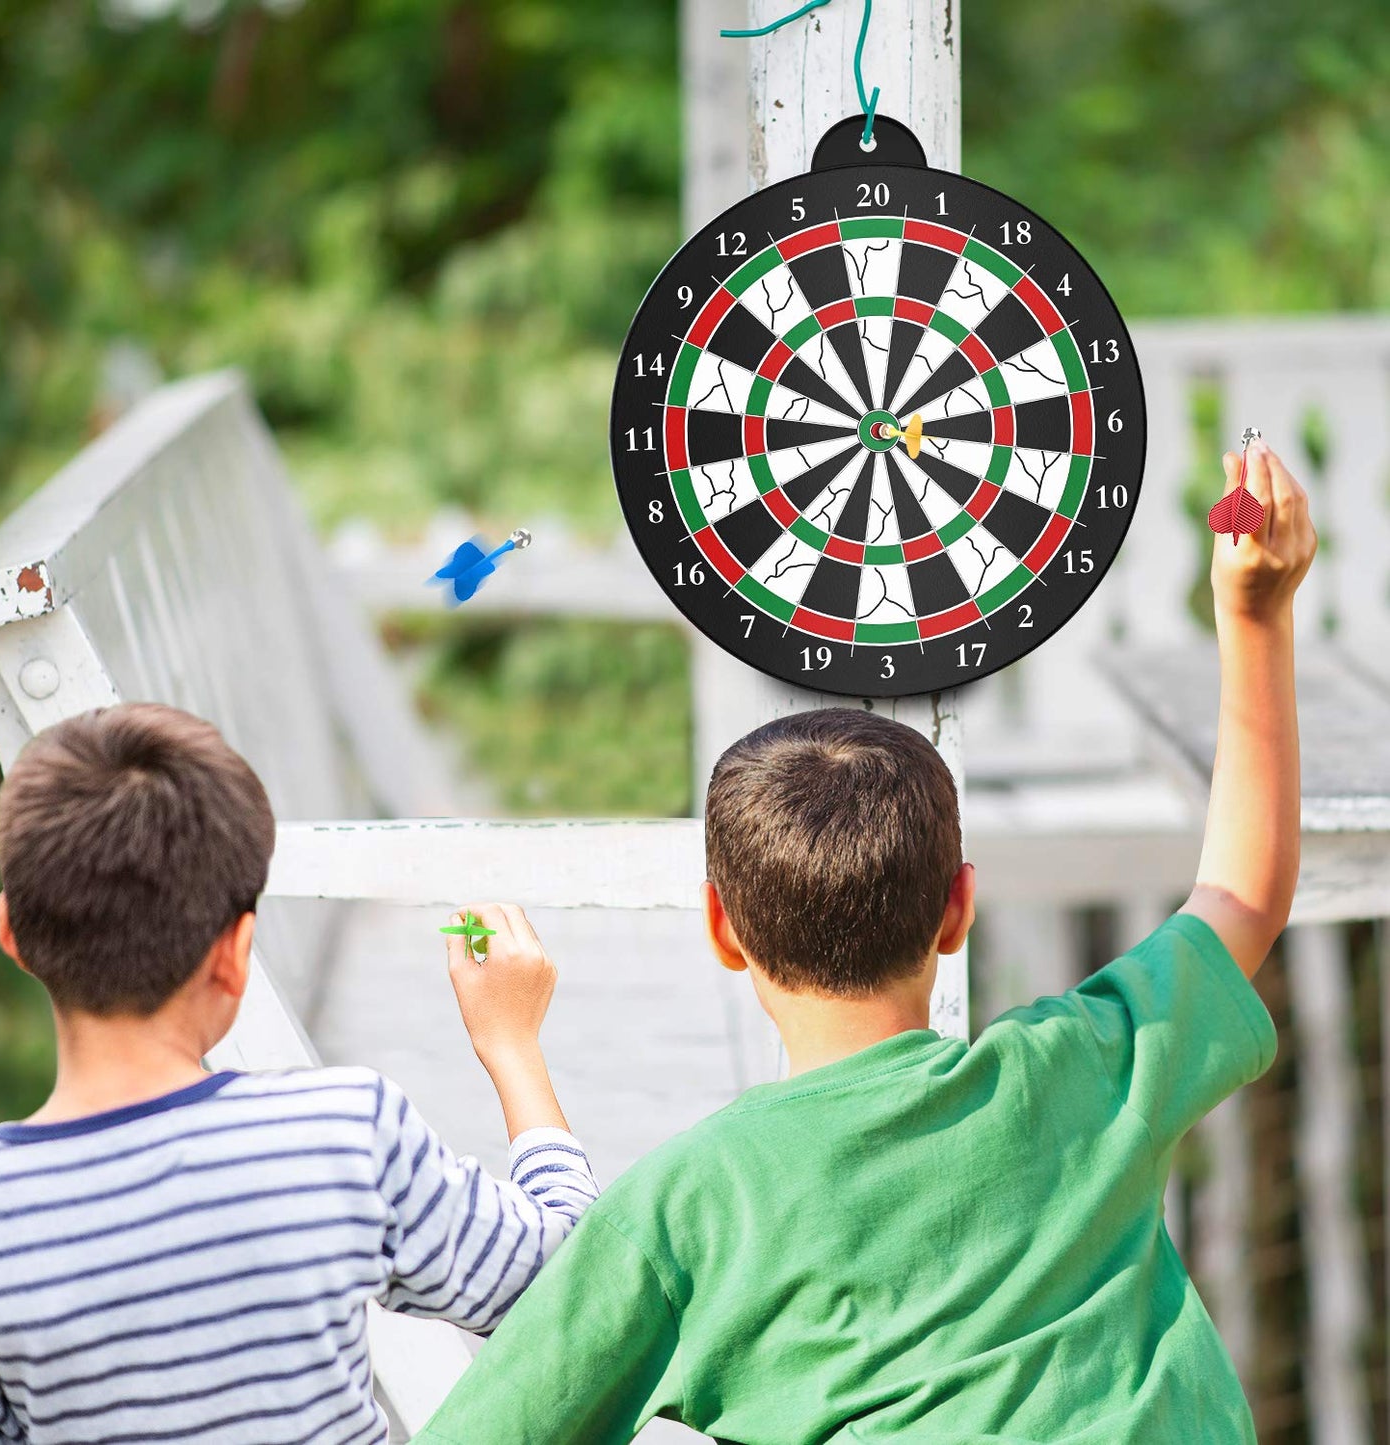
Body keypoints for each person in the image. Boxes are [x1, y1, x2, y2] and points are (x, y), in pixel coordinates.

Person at [417, 437, 1316, 1445]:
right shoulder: (1082, 1069)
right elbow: (1242, 892)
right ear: (955, 907)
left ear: (721, 927)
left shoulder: (688, 1204)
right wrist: (1253, 614)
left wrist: (511, 1050)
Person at [0, 704, 595, 1444]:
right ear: (235, 949)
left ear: (12, 933)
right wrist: (511, 1043)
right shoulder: (341, 1132)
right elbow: (569, 1281)